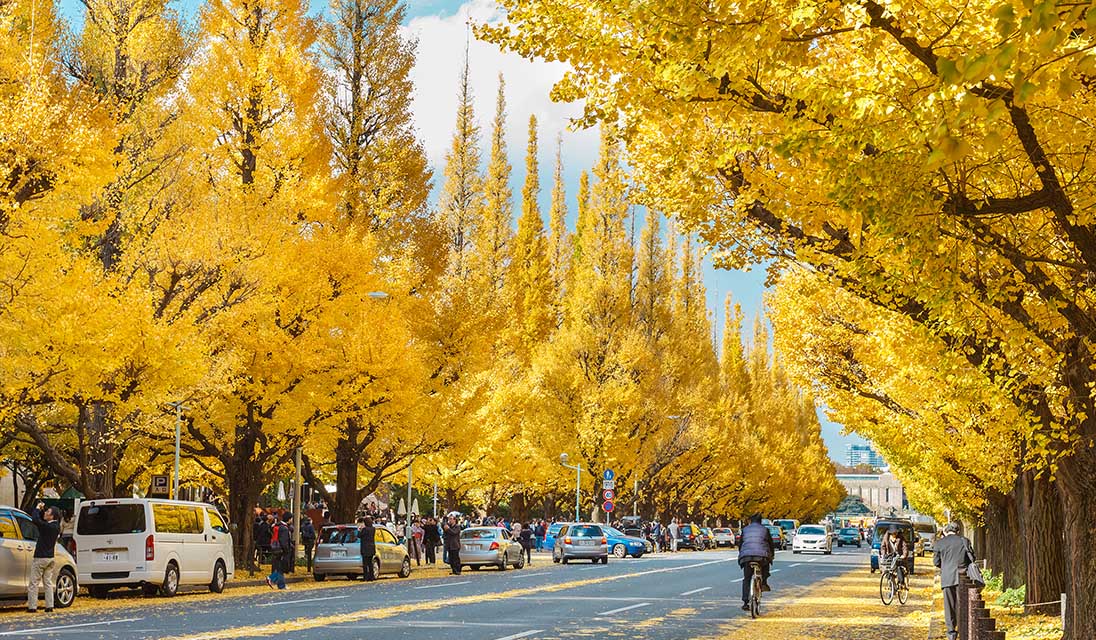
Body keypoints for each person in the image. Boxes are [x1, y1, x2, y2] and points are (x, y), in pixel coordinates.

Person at [934, 522, 973, 640]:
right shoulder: (964, 541)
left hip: (947, 577)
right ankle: (963, 630)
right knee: (962, 604)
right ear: (958, 531)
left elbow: (936, 562)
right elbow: (972, 559)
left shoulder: (940, 543)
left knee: (949, 605)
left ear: (947, 531)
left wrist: (945, 567)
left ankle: (951, 632)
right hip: (963, 577)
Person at [737, 513, 775, 611]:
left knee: (747, 578)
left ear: (750, 520)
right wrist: (772, 555)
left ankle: (745, 602)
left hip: (746, 557)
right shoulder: (765, 530)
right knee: (765, 567)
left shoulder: (745, 530)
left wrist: (741, 553)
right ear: (760, 521)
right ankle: (764, 583)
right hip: (762, 557)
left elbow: (740, 544)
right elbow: (770, 544)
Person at [27, 503, 60, 613]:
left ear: (52, 516)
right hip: (50, 557)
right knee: (48, 582)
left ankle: (32, 606)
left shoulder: (48, 527)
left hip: (40, 557)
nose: (46, 513)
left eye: (48, 512)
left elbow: (36, 520)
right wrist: (41, 510)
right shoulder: (56, 526)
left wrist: (37, 508)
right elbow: (41, 520)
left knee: (34, 583)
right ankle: (49, 606)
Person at [266, 517, 290, 590]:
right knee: (281, 568)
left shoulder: (277, 526)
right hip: (281, 550)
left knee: (280, 567)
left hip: (276, 548)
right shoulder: (284, 528)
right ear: (289, 519)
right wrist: (286, 550)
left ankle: (277, 582)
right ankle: (274, 580)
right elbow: (284, 541)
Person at [359, 517, 377, 582]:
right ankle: (371, 577)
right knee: (370, 563)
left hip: (365, 548)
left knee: (365, 564)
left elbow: (359, 535)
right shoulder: (373, 529)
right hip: (371, 548)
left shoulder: (365, 529)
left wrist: (359, 530)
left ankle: (365, 577)